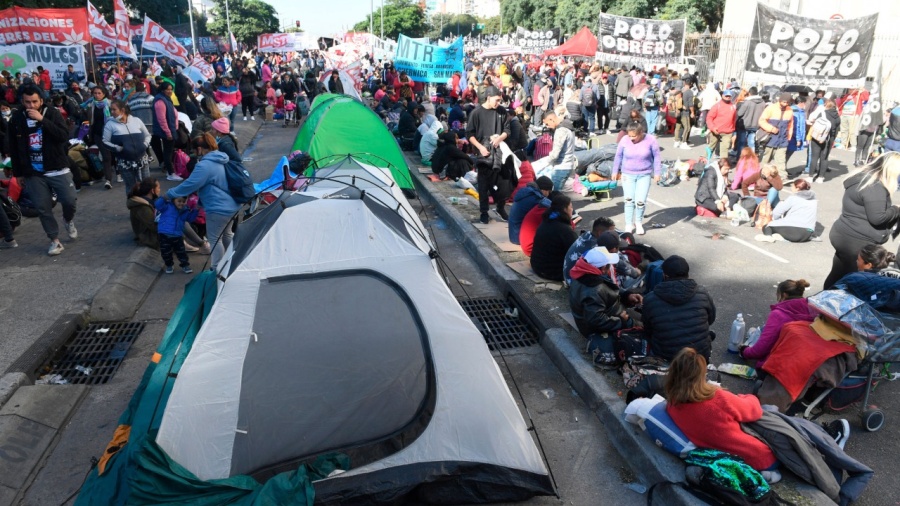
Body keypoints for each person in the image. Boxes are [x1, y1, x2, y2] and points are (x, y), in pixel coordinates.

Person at [665, 348, 779, 475]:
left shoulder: (672, 406)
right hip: (759, 459)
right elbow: (754, 411)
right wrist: (744, 397)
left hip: (723, 462)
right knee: (769, 410)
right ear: (701, 375)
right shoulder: (718, 398)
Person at [7, 85, 78, 255]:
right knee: (42, 207)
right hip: (33, 172)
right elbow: (14, 148)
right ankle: (54, 240)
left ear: (41, 100)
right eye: (27, 102)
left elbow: (62, 136)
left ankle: (68, 220)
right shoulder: (16, 119)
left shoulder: (52, 113)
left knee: (69, 201)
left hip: (56, 167)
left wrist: (42, 120)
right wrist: (18, 174)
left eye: (34, 102)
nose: (31, 106)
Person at [824, 153, 900, 289]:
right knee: (854, 282)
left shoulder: (863, 177)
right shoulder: (874, 187)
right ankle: (831, 306)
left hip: (844, 234)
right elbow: (878, 218)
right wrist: (896, 209)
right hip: (856, 241)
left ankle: (821, 303)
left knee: (837, 274)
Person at [165, 133, 240, 270]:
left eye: (194, 150)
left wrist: (170, 194)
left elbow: (190, 184)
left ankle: (217, 269)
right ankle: (235, 262)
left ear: (200, 149)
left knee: (214, 239)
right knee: (227, 234)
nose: (194, 154)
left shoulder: (205, 166)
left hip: (218, 208)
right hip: (232, 205)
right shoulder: (222, 158)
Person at [568, 245, 643, 368]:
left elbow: (609, 293)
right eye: (609, 265)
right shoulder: (594, 288)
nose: (611, 267)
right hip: (601, 325)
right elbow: (596, 320)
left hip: (609, 312)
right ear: (603, 268)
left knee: (640, 319)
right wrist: (622, 322)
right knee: (642, 327)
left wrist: (627, 296)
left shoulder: (584, 274)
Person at [641, 256, 716, 362]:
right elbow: (710, 319)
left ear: (664, 275)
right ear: (688, 274)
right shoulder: (702, 293)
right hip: (699, 356)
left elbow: (648, 330)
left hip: (666, 357)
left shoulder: (650, 299)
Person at [740, 279, 814, 367]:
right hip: (803, 362)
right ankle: (754, 333)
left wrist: (745, 351)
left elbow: (760, 350)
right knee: (764, 329)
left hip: (778, 364)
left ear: (784, 295)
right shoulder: (813, 310)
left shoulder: (779, 315)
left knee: (763, 331)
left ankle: (753, 335)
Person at [466, 86, 512, 224]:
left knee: (503, 182)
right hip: (483, 152)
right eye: (496, 100)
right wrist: (480, 147)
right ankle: (484, 212)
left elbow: (507, 130)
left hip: (499, 152)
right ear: (488, 97)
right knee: (483, 184)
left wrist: (498, 139)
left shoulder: (502, 111)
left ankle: (500, 207)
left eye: (499, 100)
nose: (498, 103)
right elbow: (469, 134)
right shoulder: (476, 113)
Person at [611, 120, 661, 235]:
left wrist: (657, 173)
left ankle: (638, 222)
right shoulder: (624, 140)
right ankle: (628, 223)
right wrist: (615, 170)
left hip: (644, 174)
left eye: (634, 136)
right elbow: (618, 156)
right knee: (629, 200)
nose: (631, 139)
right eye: (629, 136)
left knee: (640, 201)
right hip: (628, 174)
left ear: (641, 133)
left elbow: (657, 157)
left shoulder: (650, 140)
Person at [102, 99, 151, 196]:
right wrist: (118, 148)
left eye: (114, 110)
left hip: (142, 159)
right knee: (131, 187)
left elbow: (148, 135)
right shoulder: (110, 124)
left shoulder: (137, 121)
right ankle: (134, 208)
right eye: (111, 109)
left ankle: (150, 207)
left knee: (147, 185)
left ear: (122, 110)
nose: (111, 112)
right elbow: (105, 142)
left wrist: (144, 145)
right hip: (125, 162)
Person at [530, 193, 578, 281]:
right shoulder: (565, 230)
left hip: (537, 266)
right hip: (552, 272)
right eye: (571, 207)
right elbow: (576, 251)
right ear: (565, 209)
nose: (572, 210)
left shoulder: (547, 221)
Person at [755, 179, 817, 243]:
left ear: (797, 189)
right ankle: (781, 236)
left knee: (767, 226)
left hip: (795, 232)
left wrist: (774, 219)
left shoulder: (793, 198)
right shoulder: (814, 201)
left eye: (792, 186)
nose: (791, 187)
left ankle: (768, 236)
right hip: (808, 233)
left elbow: (777, 212)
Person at [155, 195, 198, 274]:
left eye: (183, 201)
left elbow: (190, 219)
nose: (181, 203)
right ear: (173, 200)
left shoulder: (185, 210)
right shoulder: (167, 206)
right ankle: (169, 265)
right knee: (165, 252)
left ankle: (185, 265)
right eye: (179, 201)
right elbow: (157, 204)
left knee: (181, 252)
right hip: (164, 234)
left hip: (177, 235)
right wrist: (164, 197)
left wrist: (196, 210)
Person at [535, 111, 576, 192]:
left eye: (547, 124)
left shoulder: (561, 131)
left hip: (561, 167)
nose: (548, 127)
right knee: (556, 195)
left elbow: (555, 154)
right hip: (567, 164)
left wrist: (544, 163)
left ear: (551, 119)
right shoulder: (567, 128)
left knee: (554, 195)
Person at [758, 92, 794, 180]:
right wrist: (771, 128)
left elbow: (790, 125)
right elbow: (761, 121)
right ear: (780, 100)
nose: (786, 104)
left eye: (788, 102)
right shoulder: (771, 108)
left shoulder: (790, 110)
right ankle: (760, 175)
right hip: (770, 138)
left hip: (783, 139)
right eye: (784, 102)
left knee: (781, 160)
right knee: (766, 159)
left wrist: (788, 137)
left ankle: (782, 177)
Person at [83, 86, 114, 188]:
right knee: (106, 156)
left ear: (104, 94)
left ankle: (117, 171)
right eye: (95, 93)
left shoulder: (109, 104)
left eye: (99, 93)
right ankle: (108, 179)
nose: (97, 95)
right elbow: (89, 120)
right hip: (98, 134)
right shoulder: (91, 105)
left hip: (110, 133)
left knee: (113, 155)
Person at [508, 175, 552, 245]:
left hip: (514, 234)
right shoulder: (535, 198)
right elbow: (552, 206)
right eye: (548, 191)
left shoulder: (526, 192)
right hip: (520, 238)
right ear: (543, 190)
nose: (549, 194)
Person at [152, 81, 181, 181]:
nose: (169, 91)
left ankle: (171, 170)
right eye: (167, 89)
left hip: (172, 128)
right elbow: (162, 119)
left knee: (169, 151)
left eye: (170, 89)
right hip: (167, 131)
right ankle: (171, 173)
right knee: (168, 153)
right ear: (162, 89)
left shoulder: (166, 99)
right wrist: (168, 132)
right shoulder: (160, 101)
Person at [808, 99, 841, 184]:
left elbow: (815, 125)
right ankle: (821, 177)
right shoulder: (838, 117)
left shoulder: (822, 113)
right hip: (829, 139)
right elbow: (837, 130)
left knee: (814, 157)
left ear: (826, 105)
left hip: (817, 137)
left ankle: (811, 176)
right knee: (824, 158)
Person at [706, 89, 736, 160]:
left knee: (724, 151)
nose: (728, 97)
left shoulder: (733, 106)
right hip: (715, 131)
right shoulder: (717, 106)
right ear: (722, 95)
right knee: (710, 148)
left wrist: (733, 131)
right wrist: (712, 128)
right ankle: (703, 163)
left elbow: (734, 119)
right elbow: (709, 118)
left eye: (729, 96)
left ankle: (723, 166)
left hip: (727, 132)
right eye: (726, 96)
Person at [735, 86, 765, 153]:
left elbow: (739, 113)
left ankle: (740, 159)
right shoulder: (762, 102)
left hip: (744, 125)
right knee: (751, 143)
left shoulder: (747, 102)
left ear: (750, 93)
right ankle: (751, 159)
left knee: (741, 143)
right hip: (755, 125)